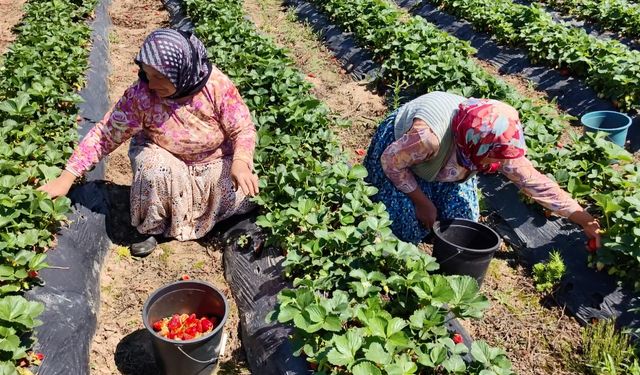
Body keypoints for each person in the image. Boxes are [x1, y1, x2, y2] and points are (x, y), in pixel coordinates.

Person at [39, 29, 259, 256]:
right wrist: (66, 177)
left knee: (243, 192)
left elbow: (242, 128)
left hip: (212, 161)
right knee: (154, 169)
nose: (151, 84)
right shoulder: (141, 95)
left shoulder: (216, 86)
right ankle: (156, 227)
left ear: (181, 71)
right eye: (146, 74)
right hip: (166, 158)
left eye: (160, 77)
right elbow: (104, 134)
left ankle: (207, 220)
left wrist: (241, 162)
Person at [363, 91, 601, 247]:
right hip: (401, 156)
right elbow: (392, 164)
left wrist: (584, 219)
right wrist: (421, 202)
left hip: (447, 160)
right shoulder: (426, 138)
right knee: (404, 224)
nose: (496, 166)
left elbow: (533, 182)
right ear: (472, 145)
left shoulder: (496, 140)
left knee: (463, 220)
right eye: (491, 159)